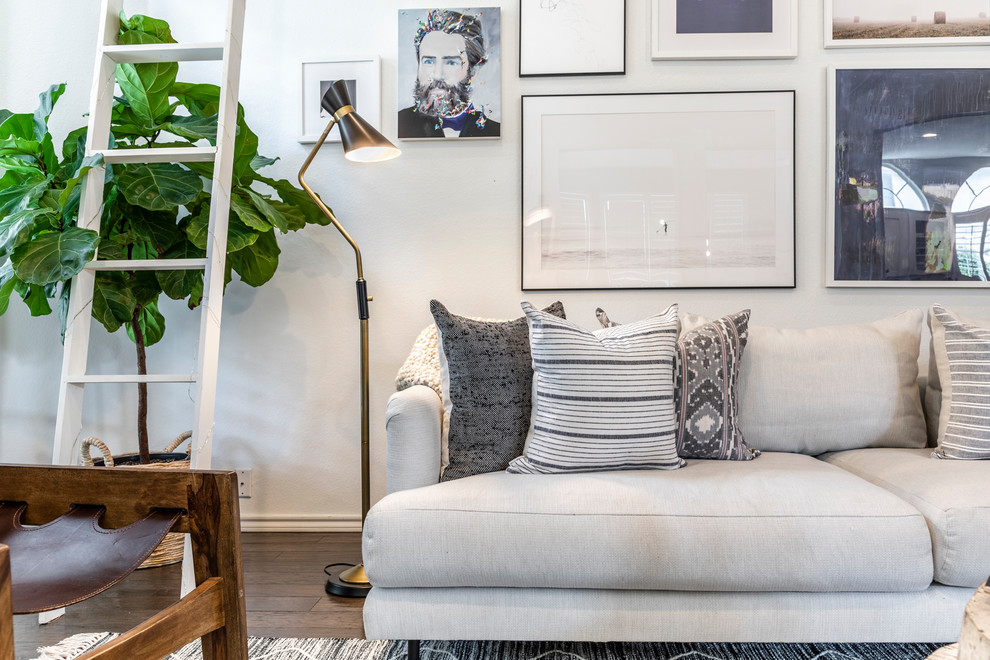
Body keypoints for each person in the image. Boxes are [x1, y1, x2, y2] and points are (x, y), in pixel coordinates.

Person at [398, 8, 500, 139]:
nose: (437, 75)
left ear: (473, 71)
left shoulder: (494, 131)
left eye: (451, 63)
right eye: (429, 61)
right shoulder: (401, 123)